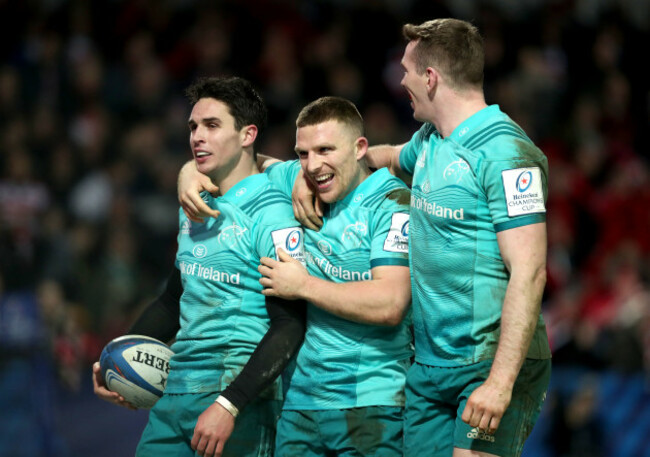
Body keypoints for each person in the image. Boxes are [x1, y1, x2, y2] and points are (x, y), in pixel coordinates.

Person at [321, 18, 550, 457]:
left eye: (406, 70)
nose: (400, 80)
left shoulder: (505, 152)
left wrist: (500, 384)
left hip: (489, 362)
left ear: (431, 78)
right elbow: (386, 158)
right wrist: (317, 170)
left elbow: (531, 270)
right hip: (430, 368)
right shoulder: (431, 139)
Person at [179, 96, 413, 456]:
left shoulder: (391, 203)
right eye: (303, 154)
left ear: (359, 147)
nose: (314, 165)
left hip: (369, 401)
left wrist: (304, 285)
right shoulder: (300, 177)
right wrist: (188, 173)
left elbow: (391, 303)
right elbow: (239, 159)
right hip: (300, 406)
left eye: (325, 150)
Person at [92, 76, 307, 457]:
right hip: (173, 395)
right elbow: (173, 300)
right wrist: (115, 356)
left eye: (211, 125)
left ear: (247, 134)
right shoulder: (194, 203)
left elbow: (289, 324)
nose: (197, 137)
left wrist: (230, 404)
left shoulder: (273, 214)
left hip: (235, 401)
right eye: (193, 126)